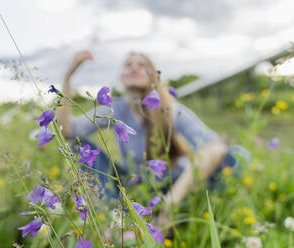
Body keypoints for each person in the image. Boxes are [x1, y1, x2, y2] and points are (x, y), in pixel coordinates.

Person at [56, 50, 250, 226]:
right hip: (136, 182)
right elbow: (68, 131)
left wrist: (170, 203)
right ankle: (115, 222)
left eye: (142, 65)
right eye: (128, 64)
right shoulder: (114, 109)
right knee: (78, 148)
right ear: (121, 76)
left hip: (175, 186)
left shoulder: (169, 108)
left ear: (152, 76)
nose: (134, 68)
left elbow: (215, 147)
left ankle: (184, 215)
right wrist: (67, 77)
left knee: (236, 156)